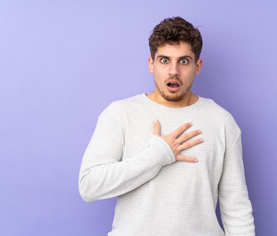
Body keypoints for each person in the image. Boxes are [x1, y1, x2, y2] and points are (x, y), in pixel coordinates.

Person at [78, 16, 255, 236]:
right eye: (164, 60)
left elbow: (236, 208)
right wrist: (157, 156)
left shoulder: (221, 121)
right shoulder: (120, 113)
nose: (173, 71)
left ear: (197, 66)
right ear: (151, 64)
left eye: (183, 61)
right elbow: (89, 186)